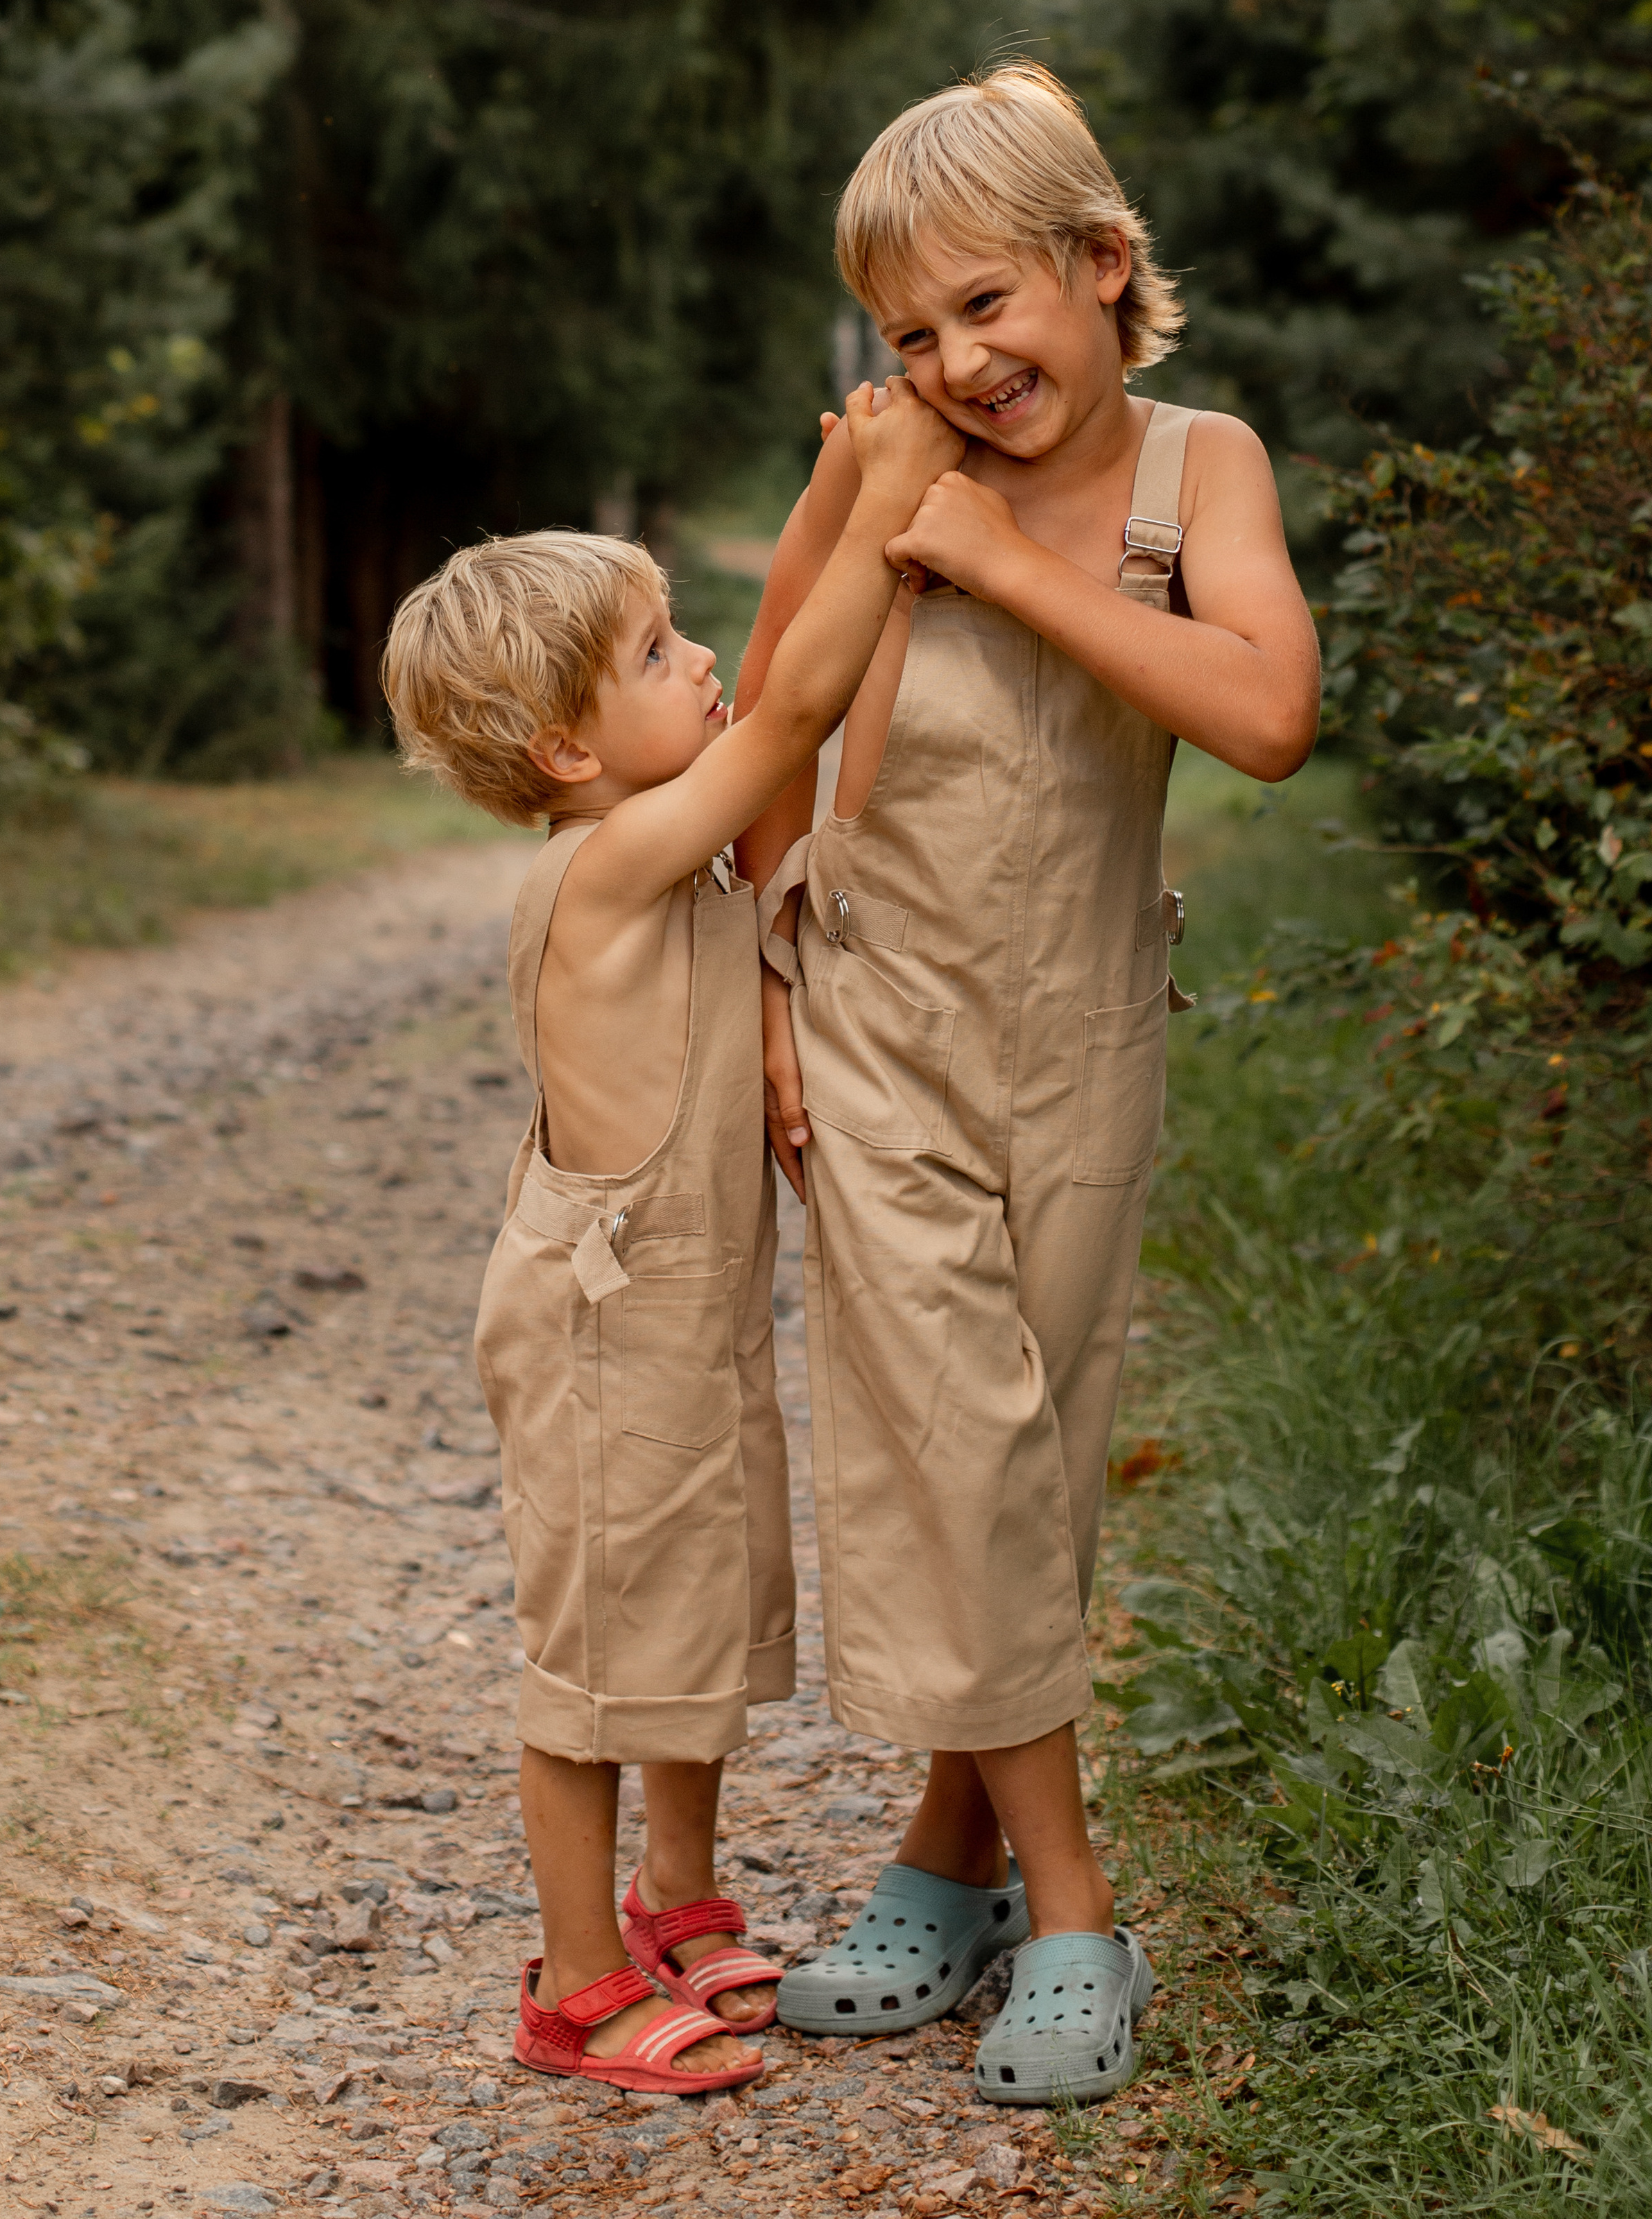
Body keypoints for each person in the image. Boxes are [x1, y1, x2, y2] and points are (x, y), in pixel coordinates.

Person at [730, 60, 1320, 2105]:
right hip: (879, 1010)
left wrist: (1002, 562)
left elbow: (1265, 717)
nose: (961, 362)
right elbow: (766, 723)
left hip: (1081, 1030)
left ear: (1102, 266)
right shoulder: (885, 464)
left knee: (1039, 1458)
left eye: (991, 306)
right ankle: (1076, 1910)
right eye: (915, 332)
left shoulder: (1195, 471)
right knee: (971, 1437)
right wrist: (773, 1010)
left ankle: (941, 1853)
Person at [380, 377, 960, 2093]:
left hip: (688, 1311)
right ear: (567, 750)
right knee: (591, 1660)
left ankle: (678, 1895)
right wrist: (885, 499)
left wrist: (837, 480)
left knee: (693, 1609)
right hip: (601, 1322)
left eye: (677, 632)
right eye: (652, 656)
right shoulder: (612, 861)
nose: (699, 658)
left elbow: (757, 728)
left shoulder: (661, 850)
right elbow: (790, 717)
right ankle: (569, 1985)